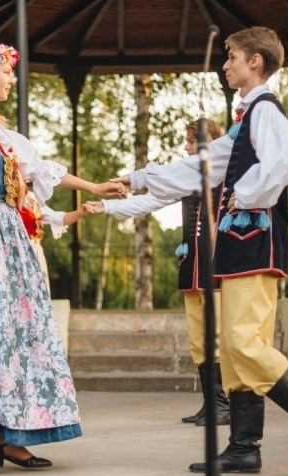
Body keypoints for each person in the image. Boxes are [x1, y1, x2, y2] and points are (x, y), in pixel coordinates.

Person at [110, 26, 288, 476]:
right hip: (244, 249)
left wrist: (243, 195)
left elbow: (286, 157)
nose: (226, 65)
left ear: (255, 61)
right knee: (238, 350)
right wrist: (137, 178)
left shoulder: (264, 109)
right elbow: (201, 166)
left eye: (232, 56)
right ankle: (243, 447)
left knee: (243, 343)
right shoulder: (245, 119)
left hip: (255, 245)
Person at [0, 43, 126, 474]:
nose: (11, 79)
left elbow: (38, 169)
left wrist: (95, 188)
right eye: (6, 71)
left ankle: (9, 438)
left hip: (9, 239)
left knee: (16, 341)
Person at [85, 118, 230, 427]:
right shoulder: (185, 178)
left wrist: (131, 177)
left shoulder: (219, 172)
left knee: (215, 334)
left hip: (216, 262)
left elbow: (159, 177)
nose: (185, 146)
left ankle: (223, 404)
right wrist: (106, 208)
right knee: (197, 336)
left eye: (190, 142)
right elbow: (149, 202)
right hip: (192, 262)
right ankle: (211, 402)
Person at [18, 187, 88, 295]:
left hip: (35, 249)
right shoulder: (3, 199)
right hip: (17, 250)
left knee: (40, 291)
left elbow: (57, 218)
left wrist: (80, 212)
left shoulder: (32, 198)